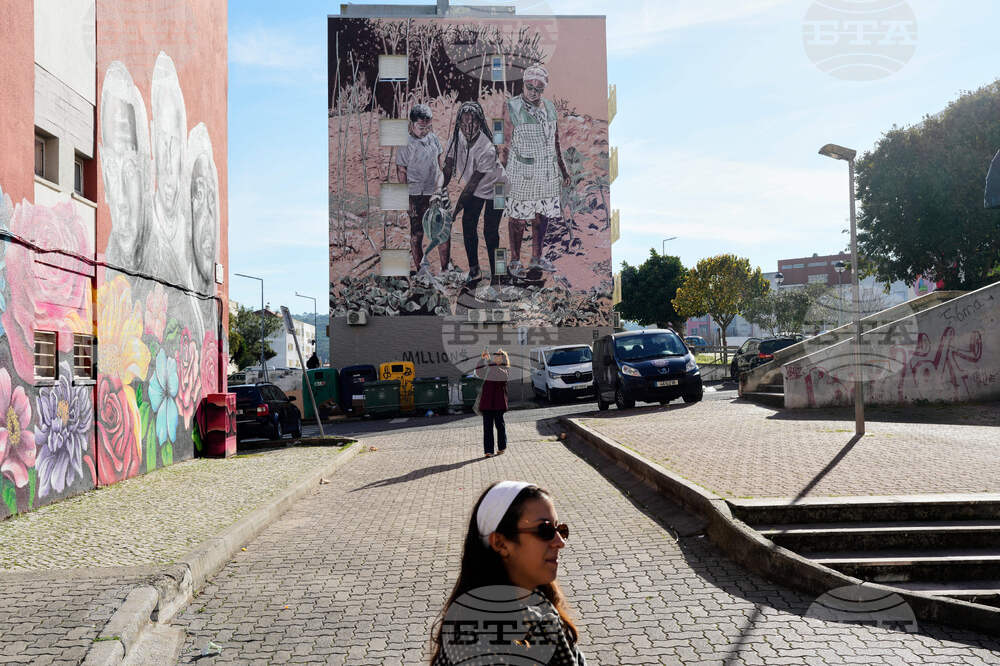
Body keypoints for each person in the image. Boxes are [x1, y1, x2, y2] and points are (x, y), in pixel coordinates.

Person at [430, 481, 585, 665]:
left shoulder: (537, 602)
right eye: (545, 530)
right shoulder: (483, 643)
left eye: (560, 530)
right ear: (501, 543)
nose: (560, 542)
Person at [500, 65, 570, 278]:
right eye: (530, 87)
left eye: (538, 89)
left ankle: (536, 258)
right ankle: (514, 261)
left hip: (546, 171)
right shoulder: (511, 106)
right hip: (521, 169)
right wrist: (502, 169)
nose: (533, 92)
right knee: (518, 218)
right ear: (524, 84)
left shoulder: (549, 107)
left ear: (544, 89)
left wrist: (563, 169)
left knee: (541, 215)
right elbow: (503, 139)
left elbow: (555, 140)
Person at [441, 101, 506, 284]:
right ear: (459, 123)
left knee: (491, 231)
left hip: (499, 187)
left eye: (474, 123)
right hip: (478, 187)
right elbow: (447, 169)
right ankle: (474, 271)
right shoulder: (455, 139)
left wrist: (454, 212)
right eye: (465, 123)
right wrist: (439, 190)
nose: (469, 127)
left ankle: (499, 276)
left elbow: (471, 186)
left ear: (480, 122)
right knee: (468, 224)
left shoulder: (487, 148)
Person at [396, 104, 450, 274]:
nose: (425, 130)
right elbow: (401, 171)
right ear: (411, 124)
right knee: (417, 232)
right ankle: (421, 269)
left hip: (435, 193)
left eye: (428, 126)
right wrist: (407, 199)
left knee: (443, 231)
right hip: (416, 194)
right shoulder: (405, 143)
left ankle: (445, 269)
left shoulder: (433, 139)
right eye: (421, 127)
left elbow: (439, 166)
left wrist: (441, 190)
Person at [476, 349, 509, 457]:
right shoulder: (490, 367)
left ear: (503, 358)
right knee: (487, 428)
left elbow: (501, 375)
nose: (496, 357)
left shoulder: (505, 369)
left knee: (500, 426)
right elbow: (479, 372)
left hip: (499, 403)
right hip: (487, 403)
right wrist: (482, 360)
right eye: (495, 356)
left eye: (498, 356)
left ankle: (501, 448)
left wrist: (490, 361)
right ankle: (488, 451)